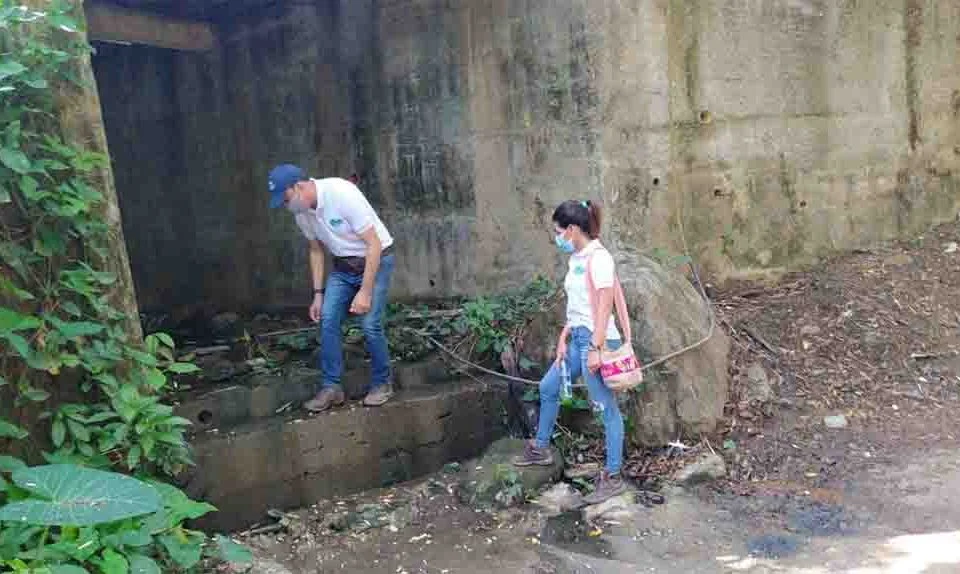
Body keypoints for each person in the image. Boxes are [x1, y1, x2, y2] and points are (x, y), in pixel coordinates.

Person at [513, 199, 628, 504]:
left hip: (597, 340)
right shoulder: (577, 257)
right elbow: (579, 304)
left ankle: (613, 475)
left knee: (605, 407)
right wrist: (565, 335)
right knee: (548, 386)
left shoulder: (600, 259)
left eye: (558, 231)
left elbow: (605, 307)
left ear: (574, 229)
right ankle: (541, 448)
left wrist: (595, 348)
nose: (557, 237)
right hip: (578, 336)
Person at [267, 164, 395, 410]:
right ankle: (332, 388)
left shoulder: (342, 194)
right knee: (327, 318)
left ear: (299, 187)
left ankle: (383, 383)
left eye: (286, 199)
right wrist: (318, 294)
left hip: (376, 260)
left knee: (370, 324)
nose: (286, 206)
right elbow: (315, 250)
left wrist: (365, 291)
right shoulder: (302, 212)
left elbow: (375, 245)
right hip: (344, 267)